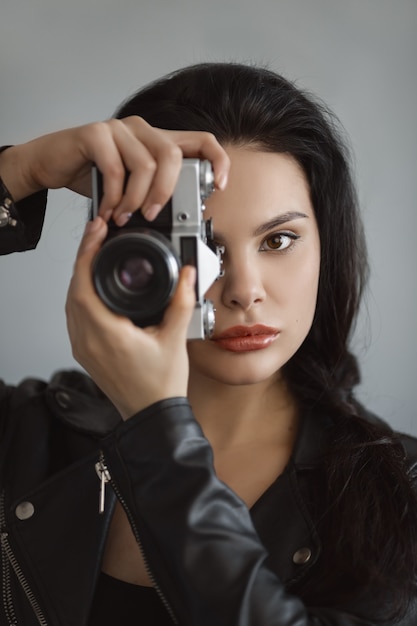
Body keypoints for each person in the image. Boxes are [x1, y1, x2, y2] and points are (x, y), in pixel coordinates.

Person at [0, 62, 416, 626]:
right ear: (131, 258)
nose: (244, 290)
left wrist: (157, 430)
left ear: (326, 247)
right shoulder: (23, 440)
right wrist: (16, 173)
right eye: (205, 248)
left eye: (279, 239)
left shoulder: (399, 491)